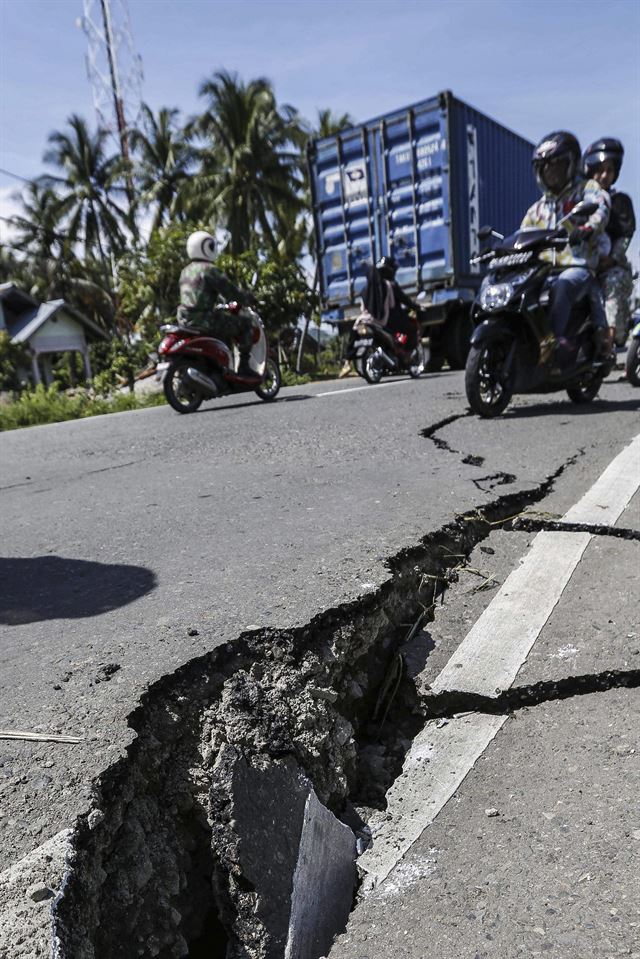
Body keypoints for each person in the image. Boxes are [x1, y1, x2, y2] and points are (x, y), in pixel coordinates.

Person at [521, 131, 610, 362]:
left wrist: (587, 229)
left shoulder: (586, 189)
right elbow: (522, 235)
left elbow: (601, 206)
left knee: (561, 286)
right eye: (545, 167)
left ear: (570, 165)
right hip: (543, 271)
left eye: (556, 165)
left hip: (577, 267)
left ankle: (553, 344)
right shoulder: (539, 208)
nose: (550, 171)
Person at [177, 231, 258, 380]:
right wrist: (247, 298)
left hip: (184, 319)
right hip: (204, 319)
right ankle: (244, 366)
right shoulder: (209, 269)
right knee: (245, 324)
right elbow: (230, 291)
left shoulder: (185, 271)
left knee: (223, 324)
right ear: (207, 247)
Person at [582, 138, 636, 351]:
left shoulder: (620, 201)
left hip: (612, 269)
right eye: (599, 170)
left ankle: (609, 346)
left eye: (609, 170)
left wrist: (611, 259)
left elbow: (625, 235)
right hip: (582, 265)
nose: (604, 175)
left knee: (612, 285)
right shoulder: (579, 200)